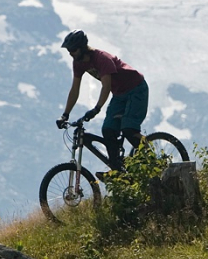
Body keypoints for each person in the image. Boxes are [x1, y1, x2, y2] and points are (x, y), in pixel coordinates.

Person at [57, 30, 149, 172]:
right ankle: (117, 170)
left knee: (129, 129)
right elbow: (74, 90)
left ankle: (154, 160)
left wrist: (96, 109)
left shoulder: (102, 59)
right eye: (69, 50)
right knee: (108, 129)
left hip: (136, 89)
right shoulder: (78, 63)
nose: (71, 53)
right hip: (119, 94)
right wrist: (65, 114)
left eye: (73, 50)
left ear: (82, 47)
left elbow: (106, 87)